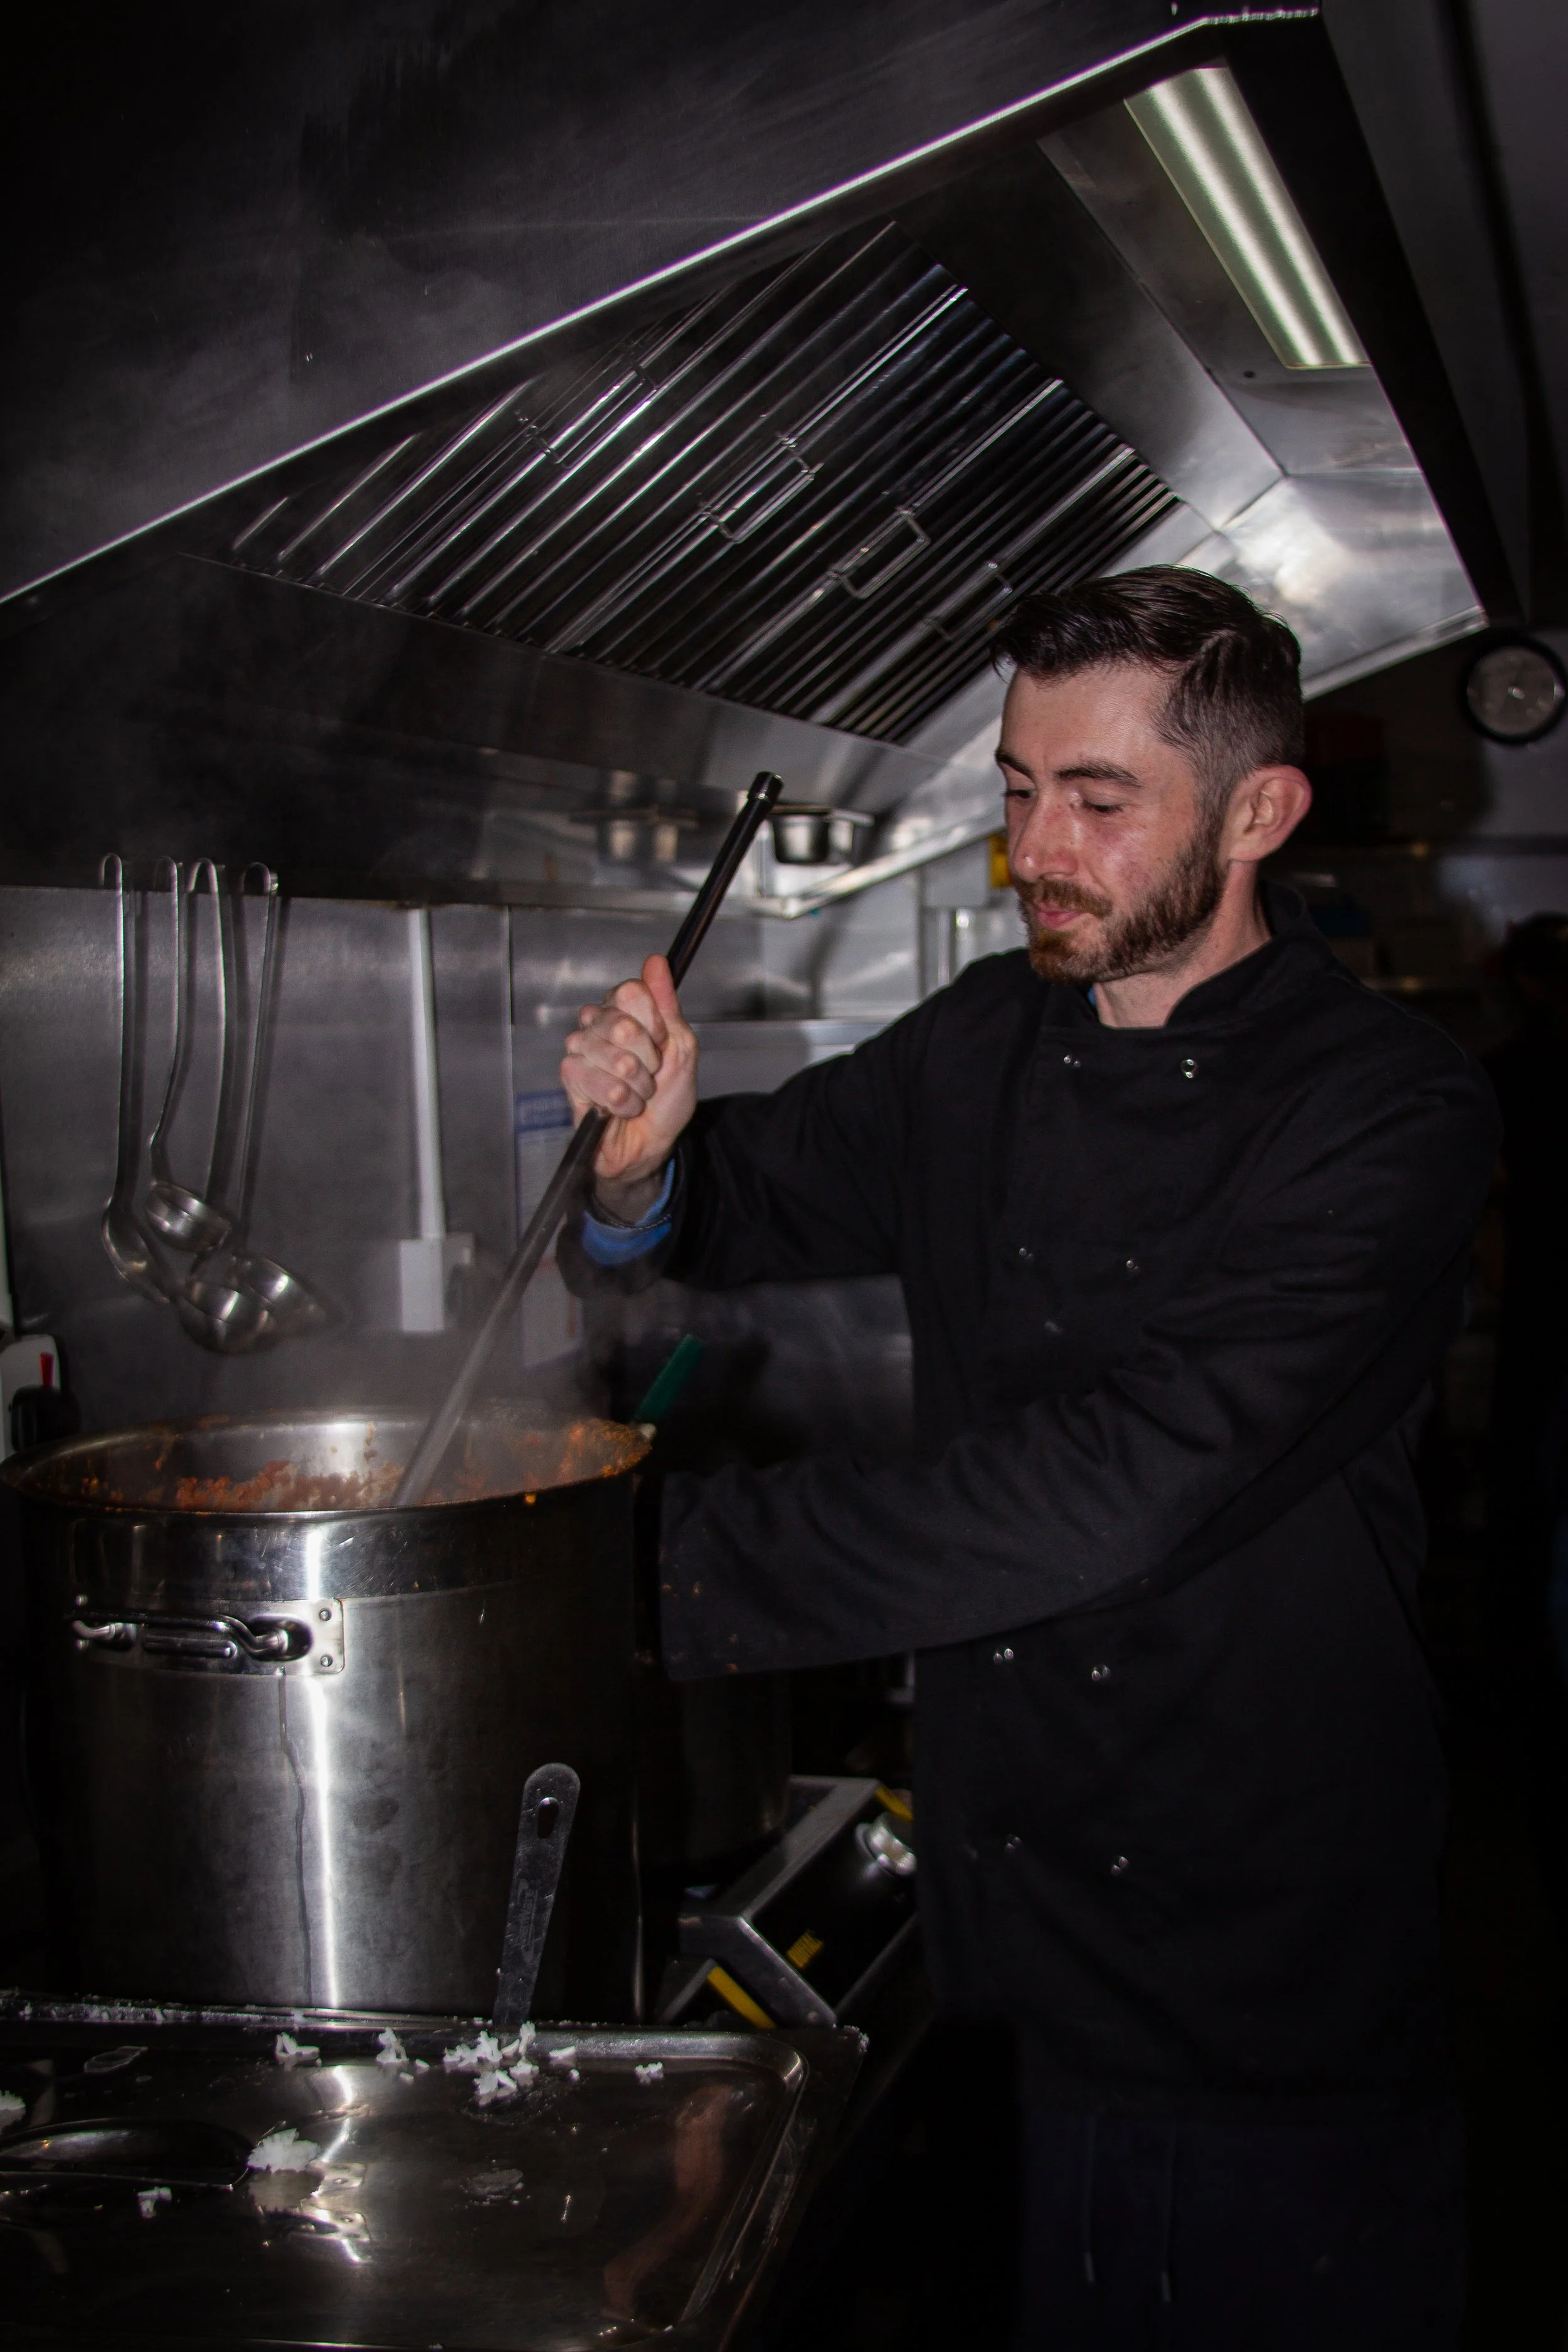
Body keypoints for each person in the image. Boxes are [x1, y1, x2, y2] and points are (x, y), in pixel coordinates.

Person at [559, 568, 1498, 2349]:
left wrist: (626, 1576)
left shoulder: (1386, 1110)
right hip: (1007, 1955)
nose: (1032, 849)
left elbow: (1121, 1481)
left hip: (1261, 1981)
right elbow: (734, 1193)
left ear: (1258, 812)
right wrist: (633, 1163)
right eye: (1011, 788)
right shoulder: (982, 1046)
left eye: (1094, 799)